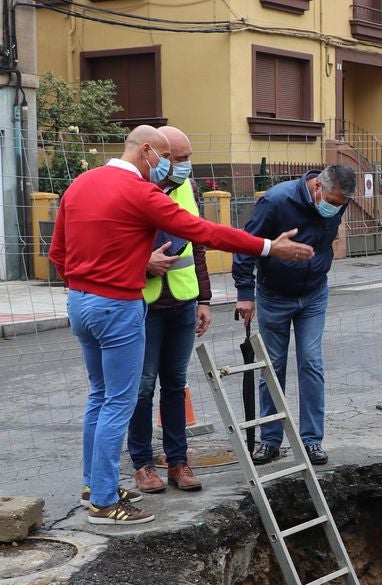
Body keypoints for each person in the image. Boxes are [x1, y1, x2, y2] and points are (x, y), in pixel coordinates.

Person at [49, 125, 314, 525]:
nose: (172, 166)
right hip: (118, 306)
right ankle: (103, 501)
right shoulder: (140, 192)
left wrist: (87, 284)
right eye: (168, 158)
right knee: (119, 401)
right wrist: (267, 246)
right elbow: (202, 231)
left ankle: (94, 483)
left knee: (100, 396)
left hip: (80, 302)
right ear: (148, 152)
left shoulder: (81, 184)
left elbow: (58, 253)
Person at [234, 165, 356, 467]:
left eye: (342, 204)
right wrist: (245, 293)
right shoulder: (276, 201)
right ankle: (270, 440)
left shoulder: (336, 202)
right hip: (274, 294)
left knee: (311, 361)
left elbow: (326, 236)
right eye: (334, 201)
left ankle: (312, 441)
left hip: (314, 293)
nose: (337, 209)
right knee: (272, 367)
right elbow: (246, 244)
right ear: (317, 186)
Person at [126, 126, 209, 495]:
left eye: (188, 159)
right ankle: (143, 463)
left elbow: (200, 242)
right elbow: (111, 247)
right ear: (155, 156)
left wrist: (204, 298)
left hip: (183, 303)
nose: (184, 166)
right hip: (145, 305)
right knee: (142, 388)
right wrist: (143, 263)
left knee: (176, 385)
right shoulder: (131, 192)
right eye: (178, 159)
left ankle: (178, 461)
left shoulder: (189, 189)